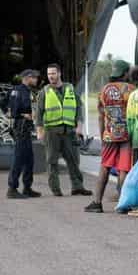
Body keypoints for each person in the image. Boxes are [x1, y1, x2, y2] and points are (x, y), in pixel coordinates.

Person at [85, 60, 135, 213]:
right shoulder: (131, 89)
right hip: (127, 135)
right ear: (125, 73)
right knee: (123, 169)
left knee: (105, 167)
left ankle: (96, 202)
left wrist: (102, 135)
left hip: (109, 135)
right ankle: (123, 204)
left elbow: (100, 117)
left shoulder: (104, 90)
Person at [36, 63, 92, 197]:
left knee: (73, 160)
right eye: (49, 74)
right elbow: (39, 112)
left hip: (69, 131)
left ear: (59, 73)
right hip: (52, 132)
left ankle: (77, 187)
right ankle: (56, 189)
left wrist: (79, 127)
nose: (51, 76)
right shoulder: (44, 91)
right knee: (52, 161)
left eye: (53, 73)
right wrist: (39, 131)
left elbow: (78, 108)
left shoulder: (70, 89)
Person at [7, 69, 42, 199]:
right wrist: (22, 115)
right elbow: (12, 110)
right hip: (21, 128)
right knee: (18, 158)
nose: (36, 80)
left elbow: (3, 104)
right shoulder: (18, 91)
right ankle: (12, 188)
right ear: (27, 78)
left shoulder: (28, 91)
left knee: (29, 160)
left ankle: (27, 188)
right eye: (34, 77)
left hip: (26, 129)